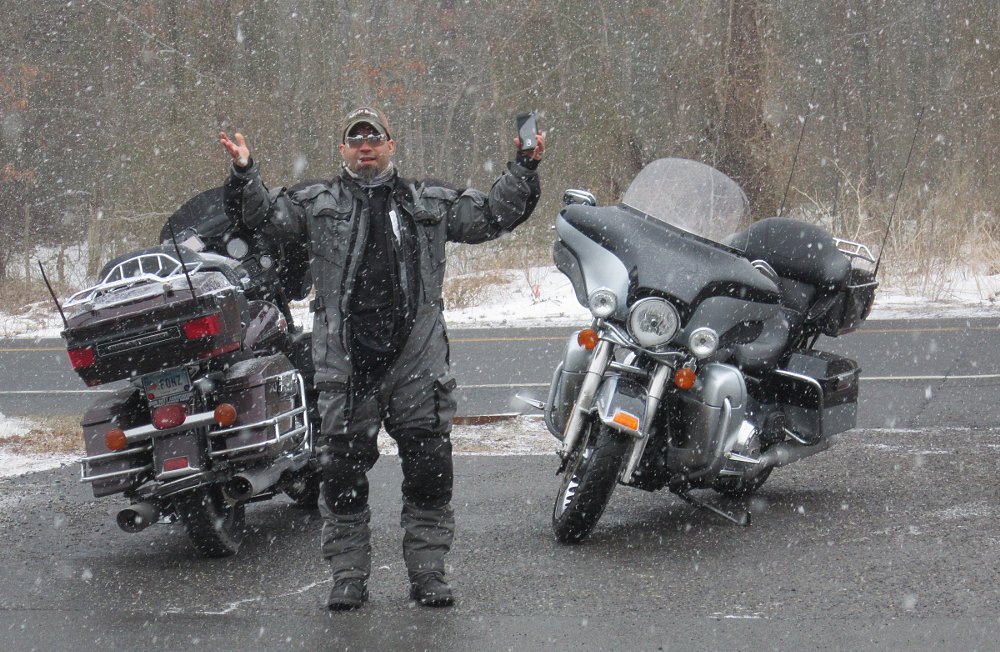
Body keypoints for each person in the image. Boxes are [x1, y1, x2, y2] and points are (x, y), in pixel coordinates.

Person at [219, 107, 544, 610]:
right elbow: (262, 215)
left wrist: (523, 167)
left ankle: (428, 574)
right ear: (343, 150)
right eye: (355, 139)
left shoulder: (427, 201)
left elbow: (492, 216)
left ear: (392, 145)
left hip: (417, 364)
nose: (365, 146)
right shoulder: (316, 203)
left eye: (374, 138)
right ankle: (348, 576)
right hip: (345, 369)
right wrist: (245, 173)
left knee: (430, 473)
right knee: (342, 479)